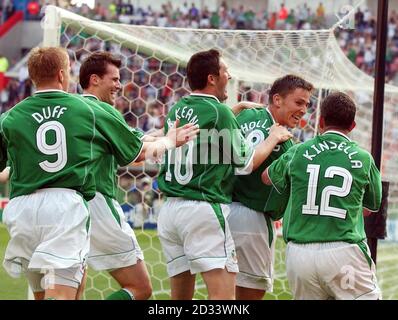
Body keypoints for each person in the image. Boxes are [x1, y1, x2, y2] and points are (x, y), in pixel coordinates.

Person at [0, 47, 198, 300]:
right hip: (65, 206)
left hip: (21, 208)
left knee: (47, 293)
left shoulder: (9, 117)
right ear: (63, 74)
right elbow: (136, 151)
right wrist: (169, 141)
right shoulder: (86, 109)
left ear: (31, 76)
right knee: (64, 294)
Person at [157, 49, 293, 300]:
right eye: (225, 72)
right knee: (224, 299)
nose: (229, 76)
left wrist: (232, 110)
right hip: (201, 209)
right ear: (212, 78)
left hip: (169, 211)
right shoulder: (220, 112)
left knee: (179, 300)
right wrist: (273, 137)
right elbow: (247, 163)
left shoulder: (177, 108)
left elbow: (206, 130)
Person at [262, 92, 382, 300]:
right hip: (343, 251)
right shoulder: (364, 158)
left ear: (321, 121)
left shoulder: (298, 151)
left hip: (300, 255)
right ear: (352, 126)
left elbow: (266, 177)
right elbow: (370, 207)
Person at [228, 74, 313, 300]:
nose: (304, 109)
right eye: (298, 102)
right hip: (252, 221)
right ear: (277, 100)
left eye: (307, 104)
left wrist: (235, 107)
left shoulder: (245, 114)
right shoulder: (283, 142)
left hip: (221, 212)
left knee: (223, 296)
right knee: (250, 297)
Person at [78, 51, 152, 300]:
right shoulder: (103, 111)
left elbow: (133, 138)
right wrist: (171, 141)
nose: (119, 85)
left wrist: (162, 134)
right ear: (95, 79)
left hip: (66, 205)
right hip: (97, 201)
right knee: (141, 288)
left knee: (68, 291)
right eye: (115, 79)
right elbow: (136, 153)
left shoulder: (72, 109)